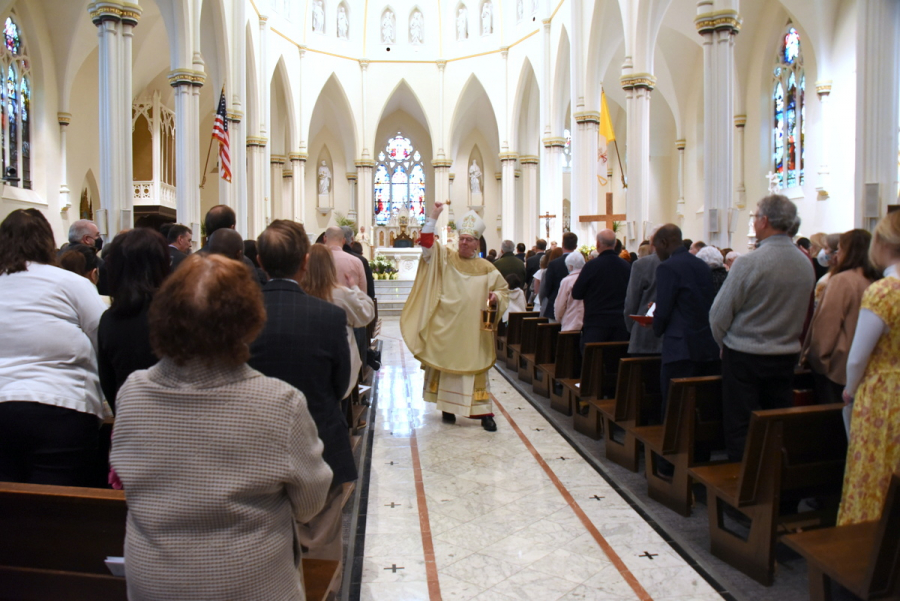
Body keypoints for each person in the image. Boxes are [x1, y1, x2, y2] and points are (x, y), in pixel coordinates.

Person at [110, 253, 332, 600]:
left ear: (165, 314)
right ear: (248, 320)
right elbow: (310, 502)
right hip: (245, 583)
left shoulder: (133, 392)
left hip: (155, 581)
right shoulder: (278, 402)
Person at [249, 221, 355, 564]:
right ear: (305, 262)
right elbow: (341, 384)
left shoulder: (241, 312)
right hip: (319, 436)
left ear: (260, 261)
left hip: (256, 441)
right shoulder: (328, 315)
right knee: (321, 536)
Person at [0, 209, 108, 487]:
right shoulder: (72, 283)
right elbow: (102, 337)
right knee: (57, 513)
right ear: (47, 242)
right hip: (62, 408)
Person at [709, 195, 815, 461]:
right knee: (777, 423)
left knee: (741, 426)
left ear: (764, 221)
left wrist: (725, 344)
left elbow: (718, 315)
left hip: (745, 356)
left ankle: (745, 494)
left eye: (755, 217)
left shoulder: (749, 262)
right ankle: (775, 489)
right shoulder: (804, 263)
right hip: (785, 355)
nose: (754, 222)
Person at [401, 204, 508, 431]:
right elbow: (427, 244)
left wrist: (496, 297)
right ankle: (447, 408)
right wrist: (433, 216)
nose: (463, 243)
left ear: (477, 243)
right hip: (447, 324)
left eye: (469, 240)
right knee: (446, 365)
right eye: (461, 239)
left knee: (476, 368)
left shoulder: (488, 268)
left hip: (473, 330)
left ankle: (484, 412)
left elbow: (503, 290)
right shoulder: (446, 257)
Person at [838, 213, 900, 526]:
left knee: (875, 473)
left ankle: (867, 547)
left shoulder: (884, 291)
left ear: (885, 243)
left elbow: (857, 358)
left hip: (884, 397)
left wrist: (850, 389)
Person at [802, 229, 879, 405]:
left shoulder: (842, 281)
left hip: (838, 370)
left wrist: (819, 363)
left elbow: (825, 328)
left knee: (833, 426)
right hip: (867, 369)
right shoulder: (876, 280)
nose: (837, 254)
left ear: (849, 252)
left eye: (840, 249)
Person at [98, 228, 169, 412]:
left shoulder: (110, 319)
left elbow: (108, 380)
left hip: (129, 415)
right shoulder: (175, 314)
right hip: (176, 417)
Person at [651, 225, 720, 413]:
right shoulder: (701, 265)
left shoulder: (667, 267)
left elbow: (663, 309)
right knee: (702, 404)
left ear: (664, 243)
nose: (655, 251)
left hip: (679, 348)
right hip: (706, 344)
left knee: (675, 405)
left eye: (655, 246)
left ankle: (673, 441)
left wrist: (656, 327)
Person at [303, 244, 375, 396]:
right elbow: (367, 314)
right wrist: (355, 287)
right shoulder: (341, 294)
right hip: (338, 365)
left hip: (307, 365)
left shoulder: (299, 293)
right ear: (330, 266)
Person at [572, 229, 631, 344]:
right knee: (615, 360)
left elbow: (577, 293)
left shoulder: (591, 266)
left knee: (593, 359)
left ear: (598, 244)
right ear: (615, 244)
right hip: (620, 324)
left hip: (596, 323)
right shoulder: (626, 266)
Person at [623, 233, 662, 356]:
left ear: (653, 244)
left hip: (645, 333)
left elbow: (632, 301)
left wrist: (632, 327)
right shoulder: (684, 263)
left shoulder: (641, 264)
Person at [542, 231, 578, 320]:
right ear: (576, 246)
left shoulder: (554, 264)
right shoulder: (581, 263)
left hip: (554, 306)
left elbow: (548, 288)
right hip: (575, 309)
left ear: (562, 244)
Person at [323, 226, 366, 294]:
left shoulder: (314, 260)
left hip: (321, 303)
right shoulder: (356, 262)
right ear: (343, 240)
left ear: (324, 238)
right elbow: (363, 294)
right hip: (350, 304)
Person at [554, 251, 585, 332]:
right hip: (587, 323)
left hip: (571, 323)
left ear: (571, 266)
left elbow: (560, 305)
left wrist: (559, 318)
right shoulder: (589, 278)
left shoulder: (567, 281)